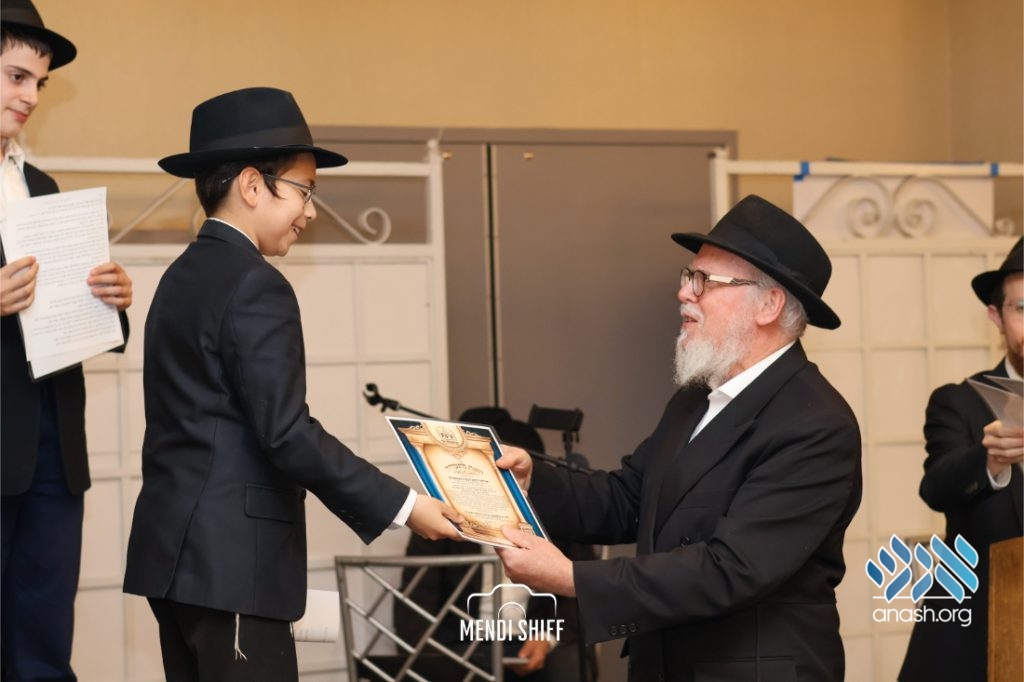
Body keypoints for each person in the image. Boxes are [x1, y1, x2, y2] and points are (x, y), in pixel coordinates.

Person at [122, 87, 461, 682]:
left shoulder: (181, 275)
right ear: (254, 186)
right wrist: (406, 507)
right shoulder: (256, 283)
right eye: (305, 191)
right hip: (232, 567)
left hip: (174, 560)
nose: (310, 212)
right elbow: (287, 434)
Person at [494, 194, 863, 681]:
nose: (684, 293)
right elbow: (629, 498)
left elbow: (731, 568)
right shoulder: (696, 398)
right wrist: (531, 481)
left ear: (769, 305)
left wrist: (573, 579)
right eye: (689, 276)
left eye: (704, 280)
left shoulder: (815, 423)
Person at [1, 2, 133, 679]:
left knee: (46, 645)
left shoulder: (42, 185)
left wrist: (109, 300)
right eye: (16, 77)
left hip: (53, 451)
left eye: (39, 83)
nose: (31, 96)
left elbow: (66, 314)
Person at [393, 407, 596, 681]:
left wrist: (546, 637)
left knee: (567, 664)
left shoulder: (556, 517)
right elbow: (415, 608)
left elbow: (581, 593)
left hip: (532, 639)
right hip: (462, 645)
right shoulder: (439, 521)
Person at [899, 237, 1023, 682]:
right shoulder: (962, 401)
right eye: (1023, 308)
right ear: (996, 317)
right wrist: (989, 460)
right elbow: (936, 487)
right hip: (980, 627)